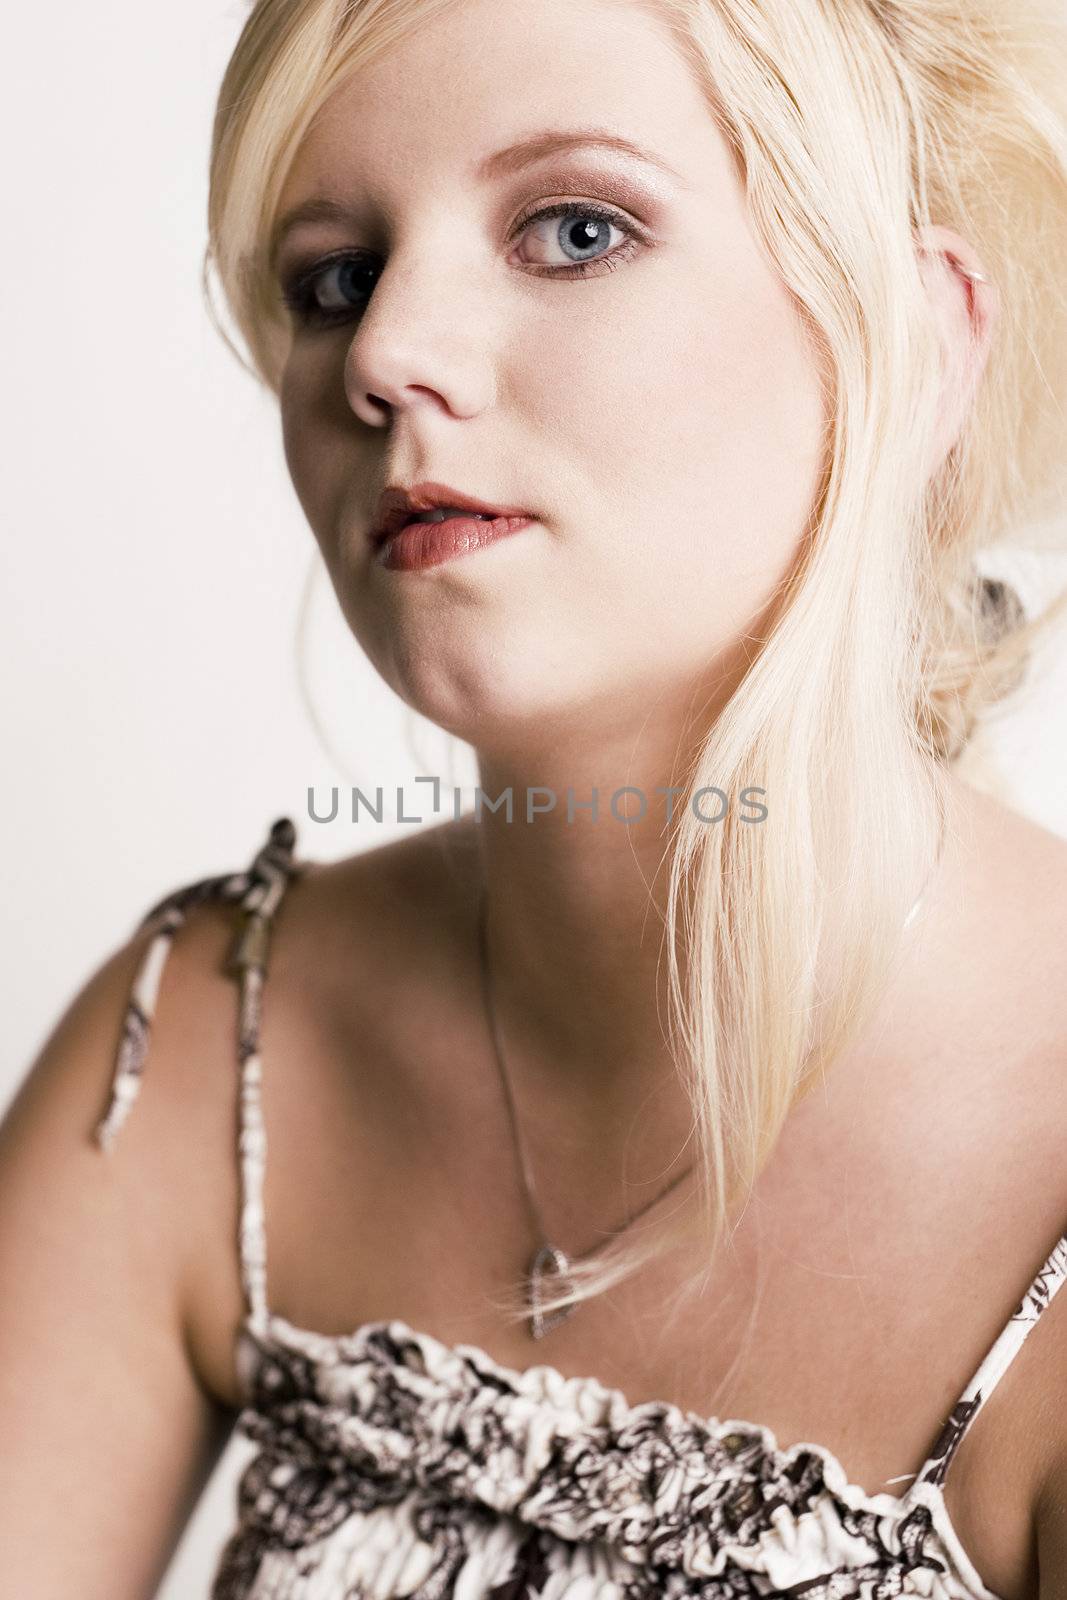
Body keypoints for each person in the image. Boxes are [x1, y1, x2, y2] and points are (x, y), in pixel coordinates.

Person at [2, 0, 1067, 1594]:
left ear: (915, 343)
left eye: (576, 228)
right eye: (332, 277)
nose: (380, 353)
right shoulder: (200, 1062)